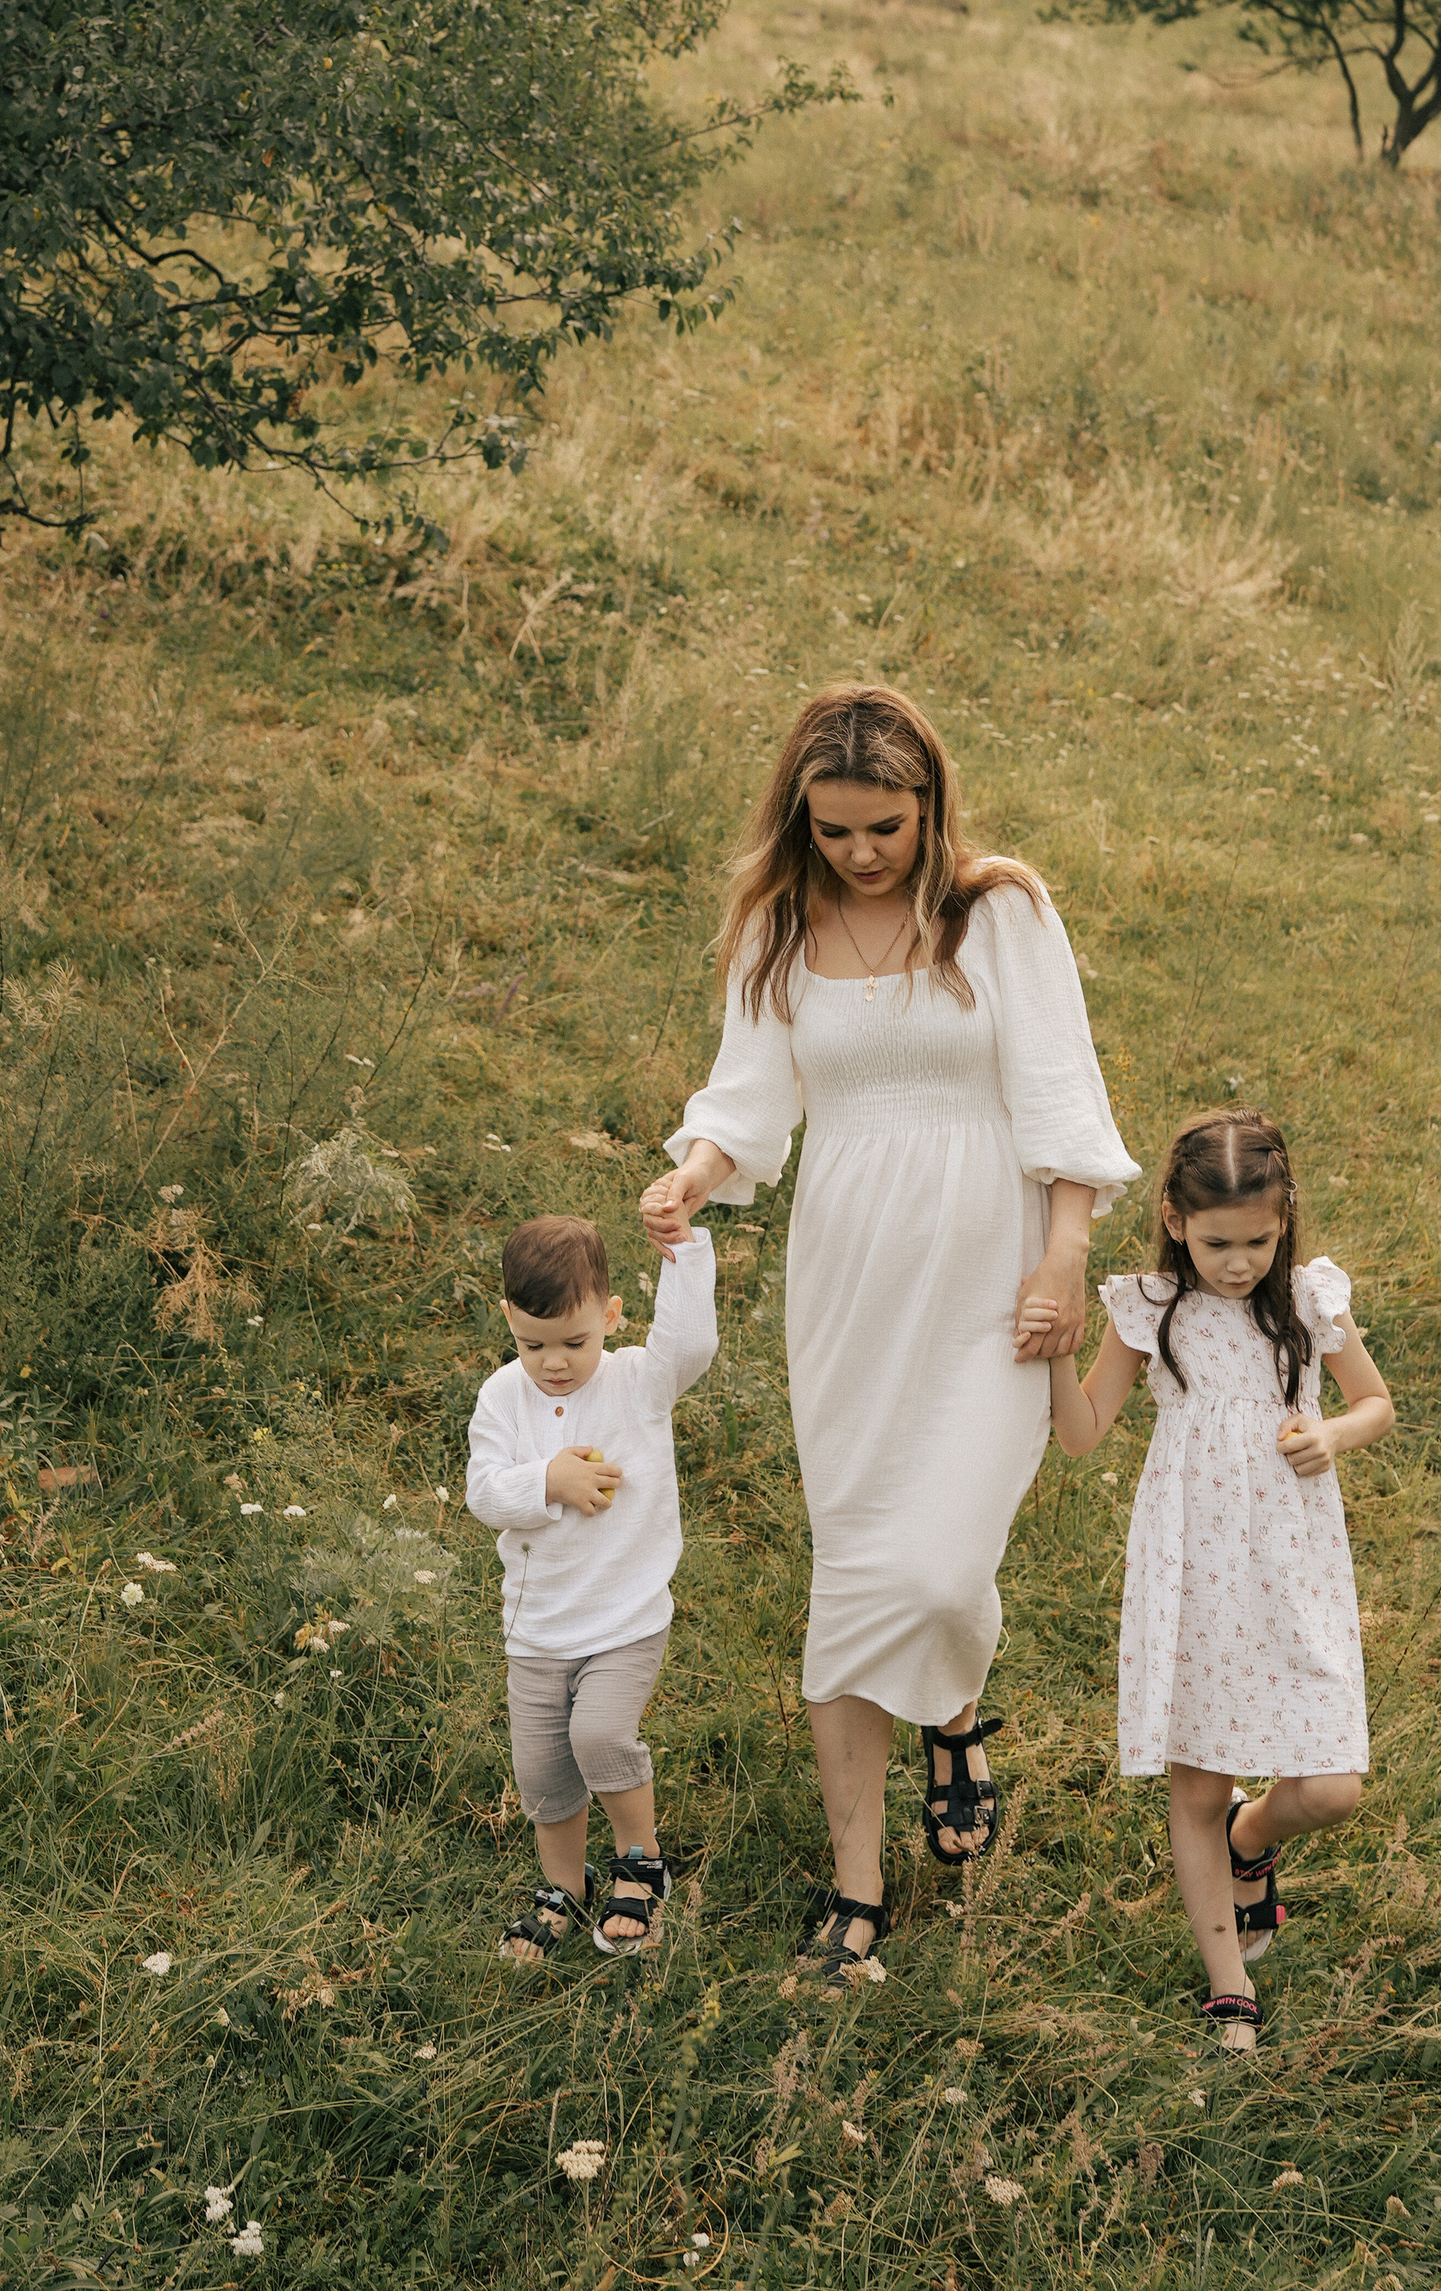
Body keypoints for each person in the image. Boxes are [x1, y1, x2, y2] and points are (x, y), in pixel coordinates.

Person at [638, 685, 1138, 1992]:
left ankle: (952, 1709)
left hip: (988, 1268)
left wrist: (1065, 1254)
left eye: (888, 825)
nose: (864, 851)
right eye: (838, 827)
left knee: (941, 1560)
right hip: (851, 1279)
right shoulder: (778, 928)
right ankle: (859, 1883)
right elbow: (748, 1098)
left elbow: (1061, 1093)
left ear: (933, 805)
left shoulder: (1000, 911)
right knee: (864, 1565)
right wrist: (694, 1173)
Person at [1048, 1108, 1395, 2050]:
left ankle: (1253, 1838)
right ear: (1172, 1218)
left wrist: (1331, 1432)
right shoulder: (1151, 1308)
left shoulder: (1307, 1303)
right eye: (1215, 1243)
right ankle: (1227, 1982)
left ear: (1285, 1224)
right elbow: (1082, 1434)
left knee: (1330, 1790)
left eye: (1258, 1240)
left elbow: (1374, 1403)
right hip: (1194, 1563)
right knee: (1196, 1786)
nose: (1237, 1263)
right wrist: (1054, 1357)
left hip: (1292, 1560)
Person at [464, 1209, 717, 1962]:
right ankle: (561, 1889)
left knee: (600, 1736)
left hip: (624, 1618)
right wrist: (549, 1479)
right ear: (508, 1318)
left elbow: (690, 1344)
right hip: (537, 1629)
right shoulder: (503, 1397)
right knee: (543, 1769)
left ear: (610, 1315)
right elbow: (483, 1492)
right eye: (532, 1343)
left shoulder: (639, 1382)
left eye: (575, 1341)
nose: (554, 1363)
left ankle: (639, 1863)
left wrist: (683, 1252)